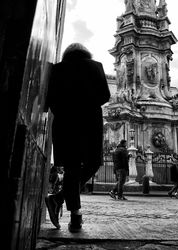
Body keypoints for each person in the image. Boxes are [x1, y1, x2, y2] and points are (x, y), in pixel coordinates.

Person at [44, 43, 110, 232]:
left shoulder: (57, 69)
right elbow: (105, 95)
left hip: (65, 123)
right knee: (93, 163)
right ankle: (61, 204)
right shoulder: (95, 65)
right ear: (85, 52)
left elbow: (49, 99)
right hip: (89, 122)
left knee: (72, 169)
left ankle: (74, 217)